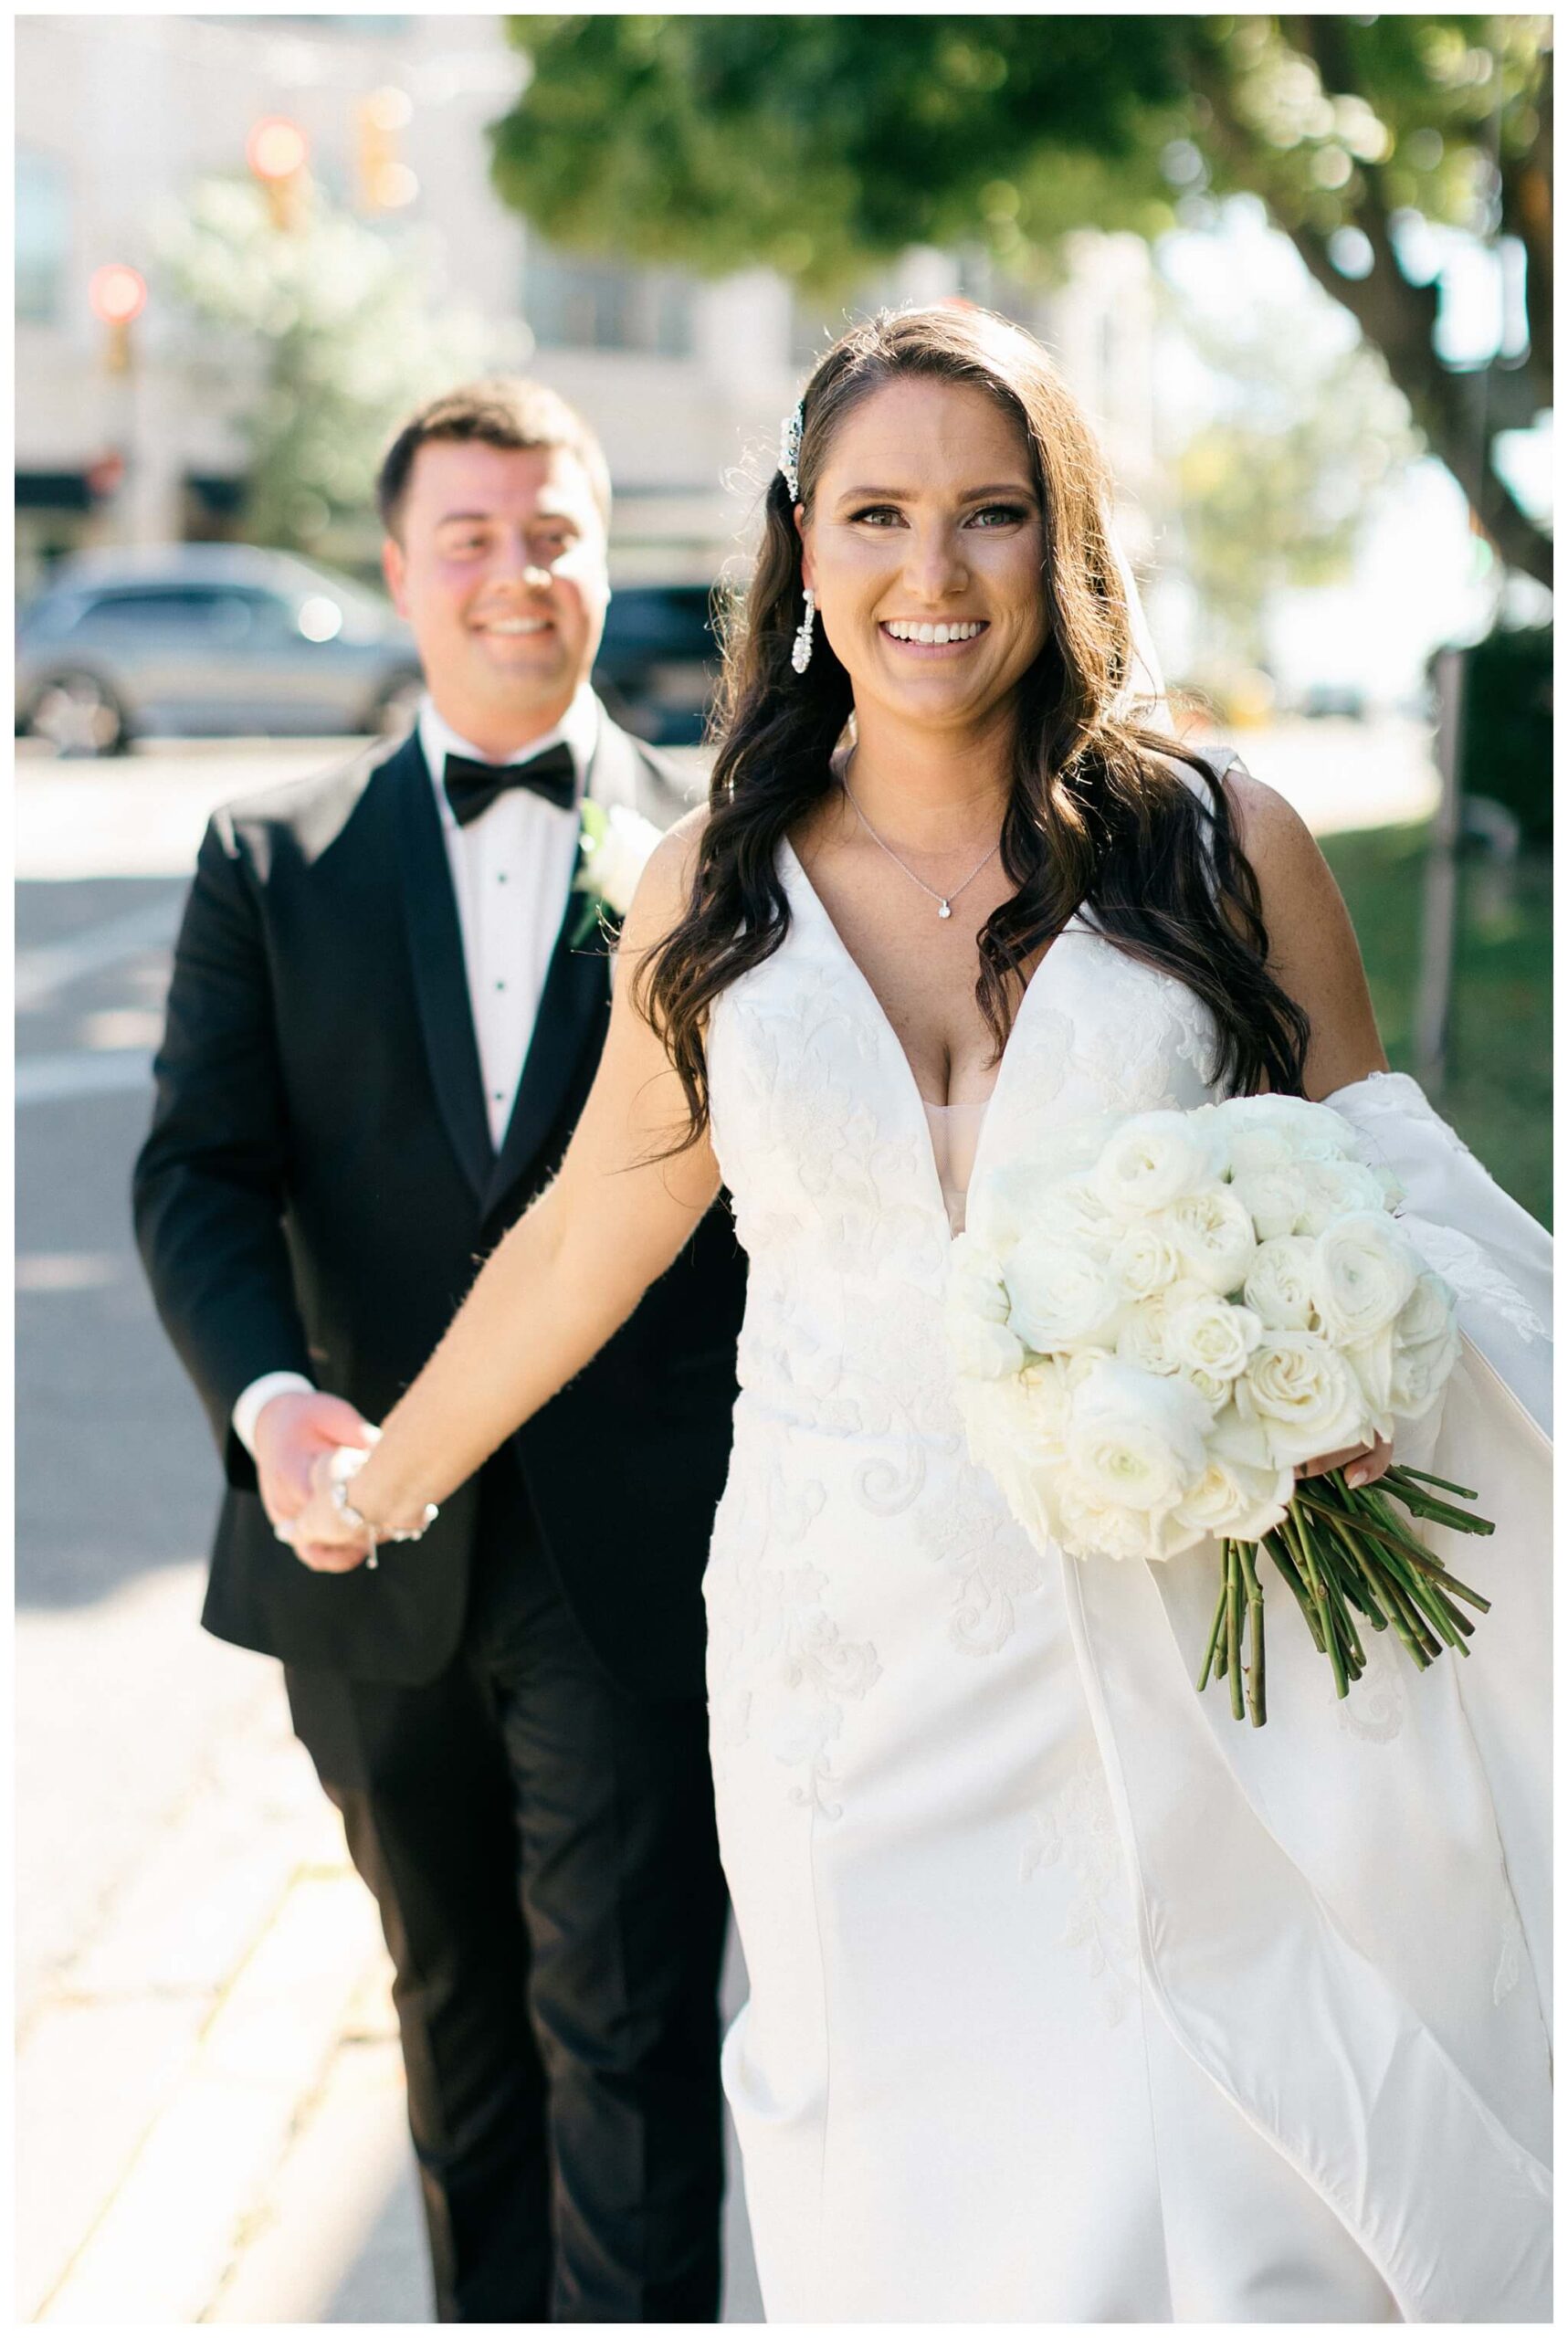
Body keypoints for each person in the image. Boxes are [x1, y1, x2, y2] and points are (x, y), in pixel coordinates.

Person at [285, 311, 1552, 2322]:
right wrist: (386, 1468)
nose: (932, 575)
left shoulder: (1225, 846)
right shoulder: (710, 892)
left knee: (1200, 2165)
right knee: (896, 2173)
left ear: (1064, 544)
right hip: (836, 1655)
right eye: (875, 515)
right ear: (801, 546)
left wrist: (1350, 1398)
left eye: (990, 514)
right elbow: (579, 1246)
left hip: (1171, 1618)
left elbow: (1374, 1212)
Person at [133, 380, 747, 2323]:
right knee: (455, 2031)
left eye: (549, 530)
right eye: (468, 535)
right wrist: (264, 1400)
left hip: (633, 1548)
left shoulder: (727, 851)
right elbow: (198, 1172)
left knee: (633, 2040)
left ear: (599, 555)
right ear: (398, 570)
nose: (513, 572)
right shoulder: (266, 853)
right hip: (359, 1541)